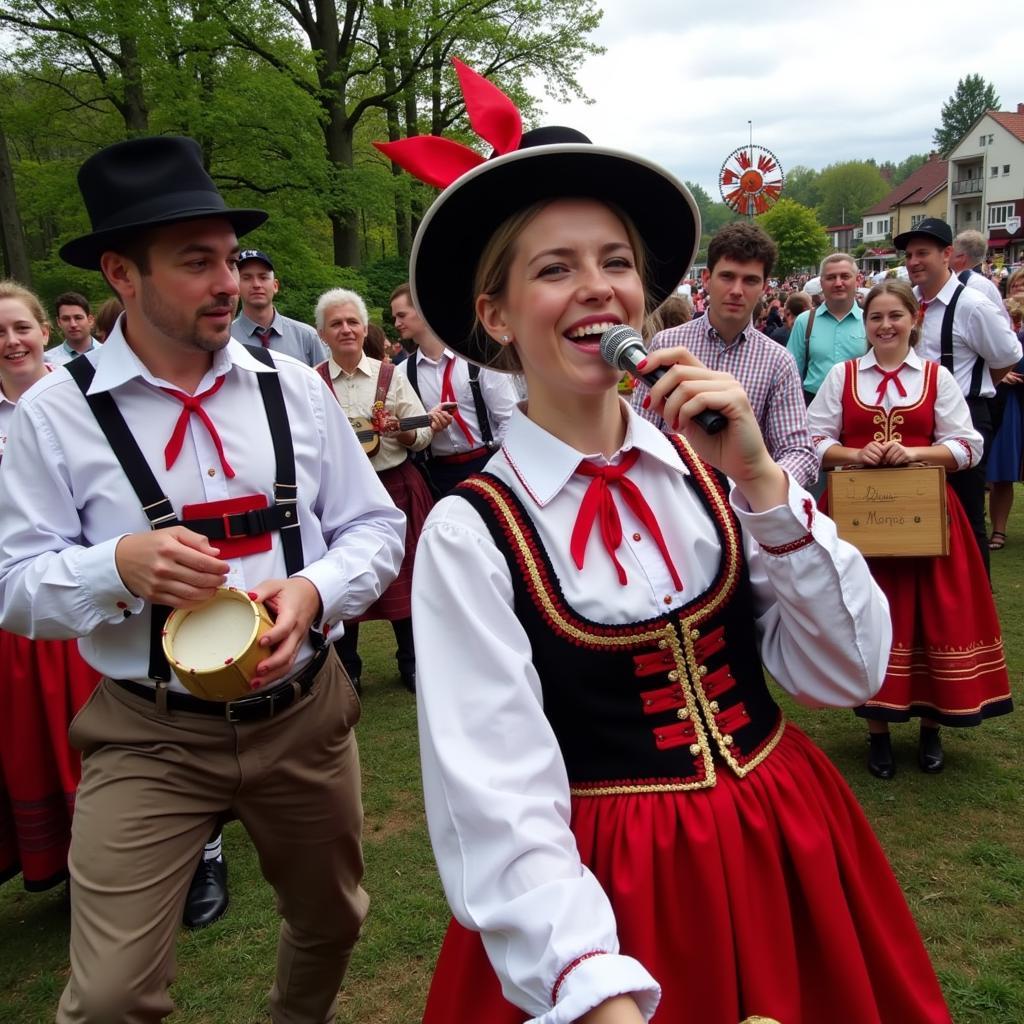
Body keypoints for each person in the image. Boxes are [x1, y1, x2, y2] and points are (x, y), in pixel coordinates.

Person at [380, 60, 951, 1024]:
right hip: (613, 894)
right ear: (495, 315)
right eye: (553, 269)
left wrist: (764, 485)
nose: (596, 291)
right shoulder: (470, 534)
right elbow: (498, 802)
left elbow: (849, 672)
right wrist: (594, 993)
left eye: (614, 262)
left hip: (789, 847)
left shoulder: (709, 468)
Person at [0, 135, 405, 1023]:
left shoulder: (292, 389)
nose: (229, 282)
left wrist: (313, 593)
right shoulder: (54, 415)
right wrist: (115, 566)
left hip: (301, 712)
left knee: (333, 921)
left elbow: (377, 525)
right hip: (149, 733)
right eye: (197, 262)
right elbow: (16, 585)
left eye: (229, 259)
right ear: (121, 273)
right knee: (108, 998)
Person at [807, 280, 1012, 777]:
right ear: (866, 324)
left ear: (913, 320)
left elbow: (968, 445)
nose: (885, 325)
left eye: (895, 316)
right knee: (867, 618)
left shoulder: (936, 377)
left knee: (928, 618)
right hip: (859, 517)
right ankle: (877, 731)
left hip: (924, 517)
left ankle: (930, 728)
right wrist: (855, 454)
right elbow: (812, 438)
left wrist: (916, 452)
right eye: (875, 317)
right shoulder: (843, 374)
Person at [0, 281, 100, 893]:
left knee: (117, 729)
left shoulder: (86, 398)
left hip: (97, 592)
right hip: (19, 603)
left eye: (20, 328)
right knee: (36, 739)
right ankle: (60, 860)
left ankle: (194, 851)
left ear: (44, 332)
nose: (11, 343)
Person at [314, 287, 441, 693]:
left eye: (353, 322)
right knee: (341, 574)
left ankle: (412, 663)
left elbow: (421, 433)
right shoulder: (310, 382)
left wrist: (400, 436)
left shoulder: (392, 375)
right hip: (340, 494)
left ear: (365, 327)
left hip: (393, 485)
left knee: (405, 575)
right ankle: (348, 667)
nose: (346, 330)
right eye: (336, 323)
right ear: (322, 333)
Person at [633, 222, 818, 489]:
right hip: (671, 493)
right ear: (707, 279)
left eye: (750, 280)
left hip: (739, 505)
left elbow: (800, 454)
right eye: (728, 276)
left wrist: (757, 487)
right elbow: (641, 429)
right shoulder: (667, 343)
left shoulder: (778, 362)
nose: (736, 290)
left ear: (765, 287)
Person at [895, 217, 1022, 574]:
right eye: (909, 254)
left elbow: (1007, 355)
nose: (913, 261)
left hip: (962, 417)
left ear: (948, 254)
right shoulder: (910, 301)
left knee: (965, 517)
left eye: (923, 253)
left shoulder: (973, 305)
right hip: (914, 420)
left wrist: (972, 391)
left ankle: (975, 607)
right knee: (918, 515)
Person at [391, 281, 517, 494]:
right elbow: (411, 434)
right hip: (437, 474)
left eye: (401, 315)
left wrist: (500, 466)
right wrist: (427, 426)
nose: (396, 323)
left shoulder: (476, 358)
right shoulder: (402, 372)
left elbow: (509, 418)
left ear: (423, 311)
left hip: (488, 463)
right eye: (395, 317)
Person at [787, 253, 866, 405]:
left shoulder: (868, 321)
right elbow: (792, 372)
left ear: (857, 280)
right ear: (821, 283)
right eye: (831, 277)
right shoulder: (805, 321)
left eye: (845, 276)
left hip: (858, 403)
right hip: (813, 401)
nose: (838, 283)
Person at [230, 249, 328, 366]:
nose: (256, 284)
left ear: (275, 286)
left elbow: (324, 382)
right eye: (246, 278)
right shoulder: (225, 339)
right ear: (235, 286)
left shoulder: (307, 337)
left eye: (263, 277)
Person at [986, 267, 1024, 550]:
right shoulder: (999, 318)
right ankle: (998, 530)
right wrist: (1002, 373)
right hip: (1008, 401)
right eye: (1015, 285)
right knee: (1002, 471)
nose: (1019, 290)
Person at [950, 229, 1013, 325]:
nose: (946, 257)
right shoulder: (974, 280)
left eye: (951, 253)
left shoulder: (976, 285)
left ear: (961, 258)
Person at [46, 291, 101, 365]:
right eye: (66, 319)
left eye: (78, 318)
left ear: (90, 320)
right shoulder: (48, 361)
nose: (73, 324)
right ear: (59, 322)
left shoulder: (109, 355)